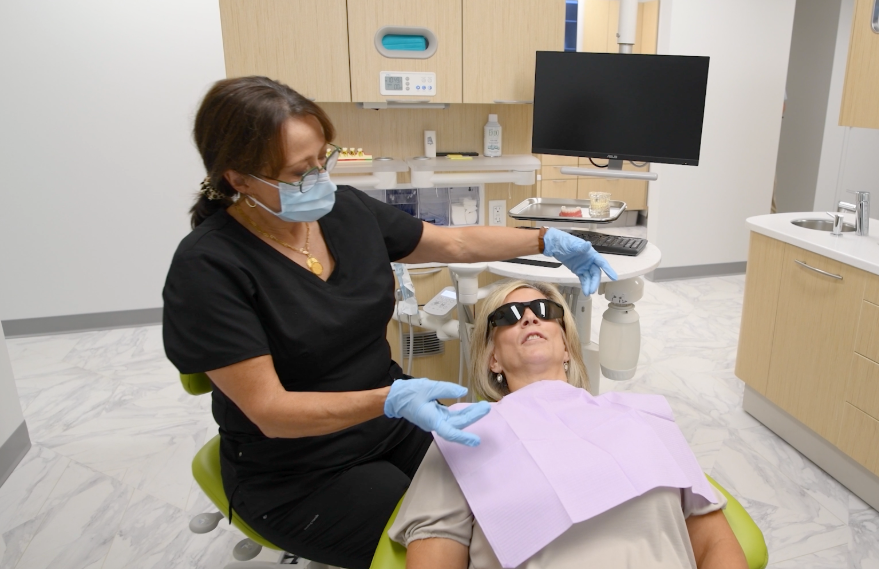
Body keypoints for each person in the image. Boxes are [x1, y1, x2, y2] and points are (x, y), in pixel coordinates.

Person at [161, 76, 618, 569]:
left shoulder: (345, 212)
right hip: (298, 469)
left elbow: (455, 243)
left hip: (391, 425)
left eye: (323, 159)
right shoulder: (208, 268)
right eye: (299, 172)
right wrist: (390, 399)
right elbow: (271, 412)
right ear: (239, 179)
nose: (320, 178)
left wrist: (546, 240)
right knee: (455, 544)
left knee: (509, 495)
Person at [389, 281, 748, 569]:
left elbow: (714, 541)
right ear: (492, 359)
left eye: (545, 311)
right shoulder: (463, 434)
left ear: (566, 347)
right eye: (508, 315)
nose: (530, 318)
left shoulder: (643, 415)